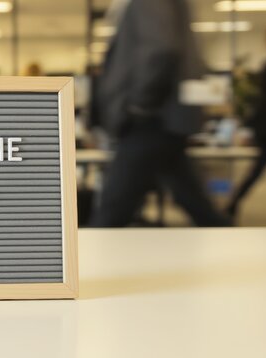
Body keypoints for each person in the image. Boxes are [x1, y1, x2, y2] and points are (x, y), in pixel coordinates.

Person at [90, 0, 231, 227]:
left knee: (112, 209)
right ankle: (230, 240)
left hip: (150, 119)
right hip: (162, 121)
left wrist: (138, 104)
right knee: (194, 201)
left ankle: (83, 261)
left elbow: (161, 48)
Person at [226, 26, 266, 217]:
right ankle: (233, 204)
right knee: (261, 167)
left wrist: (250, 121)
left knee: (259, 168)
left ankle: (233, 204)